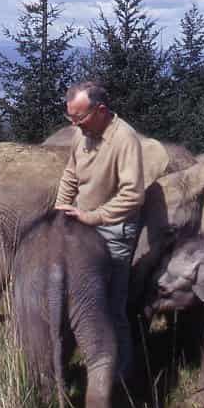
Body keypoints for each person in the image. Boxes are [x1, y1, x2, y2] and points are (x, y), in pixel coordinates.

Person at [54, 81, 145, 383]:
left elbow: (133, 195)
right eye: (71, 118)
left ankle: (121, 376)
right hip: (83, 226)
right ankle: (77, 365)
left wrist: (93, 217)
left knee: (110, 306)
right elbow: (70, 174)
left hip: (115, 231)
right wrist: (60, 211)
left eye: (79, 118)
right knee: (73, 298)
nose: (74, 125)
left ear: (101, 110)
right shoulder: (81, 134)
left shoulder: (125, 139)